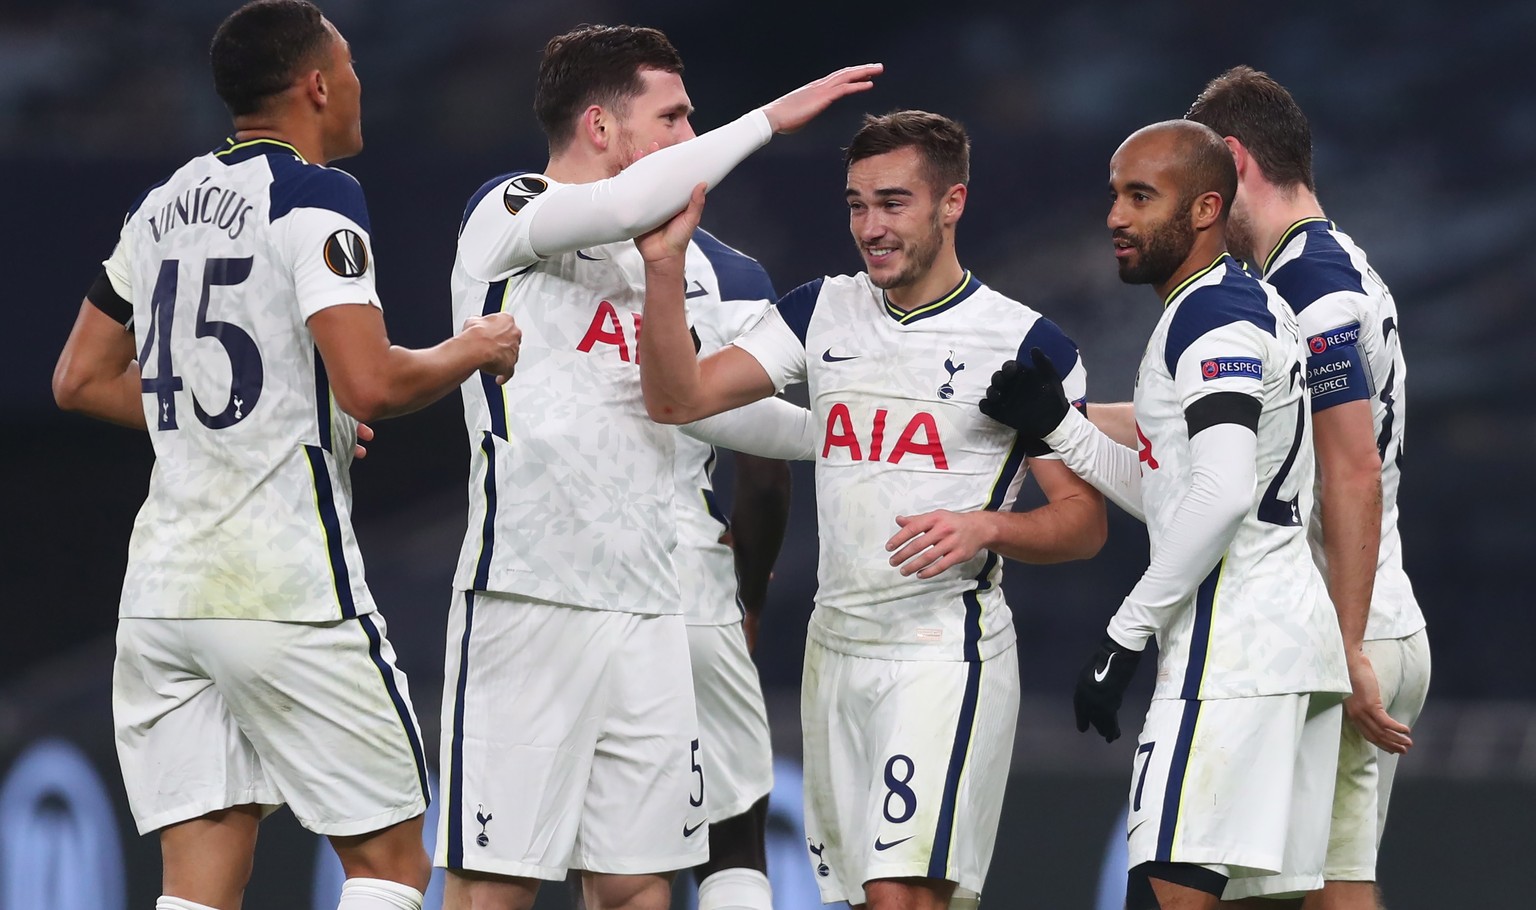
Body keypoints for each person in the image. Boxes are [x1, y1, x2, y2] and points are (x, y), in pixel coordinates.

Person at [50, 3, 522, 909]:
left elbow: (77, 377)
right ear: (315, 84)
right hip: (279, 588)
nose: (355, 87)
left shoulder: (159, 207)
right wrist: (476, 345)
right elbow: (373, 384)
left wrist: (251, 420)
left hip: (161, 599)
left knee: (197, 888)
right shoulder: (314, 194)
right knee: (389, 864)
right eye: (347, 69)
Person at [436, 23, 876, 910]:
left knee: (638, 885)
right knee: (496, 884)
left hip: (650, 602)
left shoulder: (692, 273)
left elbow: (725, 413)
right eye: (671, 118)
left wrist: (860, 433)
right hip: (530, 594)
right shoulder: (513, 210)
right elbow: (619, 208)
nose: (688, 138)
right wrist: (768, 121)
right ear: (601, 127)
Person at [633, 110, 1107, 910]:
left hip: (942, 649)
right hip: (835, 649)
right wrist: (664, 265)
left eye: (893, 203)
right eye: (856, 205)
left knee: (896, 894)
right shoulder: (822, 311)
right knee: (873, 900)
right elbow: (678, 396)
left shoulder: (1027, 342)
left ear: (952, 203)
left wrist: (986, 526)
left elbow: (1083, 524)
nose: (870, 227)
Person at [980, 119, 1350, 910]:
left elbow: (1219, 497)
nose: (1116, 216)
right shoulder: (1236, 305)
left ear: (1207, 208)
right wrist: (1061, 428)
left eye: (1141, 197)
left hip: (1232, 655)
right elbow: (1180, 496)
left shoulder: (1211, 317)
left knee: (1164, 894)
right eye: (1114, 195)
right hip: (1281, 651)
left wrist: (1125, 634)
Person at [1183, 66, 1430, 910]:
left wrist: (1347, 643)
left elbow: (1352, 468)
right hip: (1378, 610)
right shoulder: (1345, 266)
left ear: (1236, 161)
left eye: (1200, 180)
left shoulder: (1308, 290)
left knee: (1253, 892)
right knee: (1336, 888)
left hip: (1340, 625)